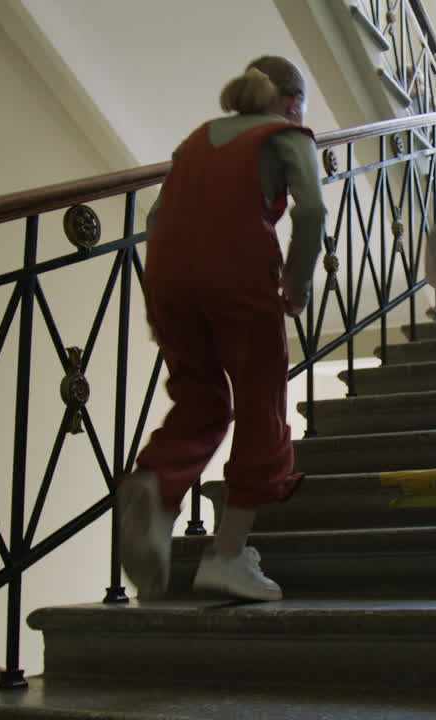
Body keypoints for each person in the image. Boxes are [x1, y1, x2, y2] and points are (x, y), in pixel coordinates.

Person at [116, 56, 325, 602]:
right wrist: (297, 285)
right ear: (293, 101)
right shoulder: (287, 133)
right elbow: (311, 212)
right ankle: (228, 556)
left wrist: (162, 298)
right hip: (237, 275)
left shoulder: (196, 139)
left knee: (201, 402)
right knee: (262, 407)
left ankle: (157, 488)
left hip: (169, 280)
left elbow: (156, 219)